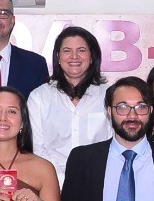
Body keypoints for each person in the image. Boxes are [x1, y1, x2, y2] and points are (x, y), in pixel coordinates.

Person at [27, 25, 108, 189]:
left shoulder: (109, 95)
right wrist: (62, 180)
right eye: (67, 51)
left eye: (81, 50)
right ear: (57, 57)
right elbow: (37, 147)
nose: (74, 56)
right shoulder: (39, 97)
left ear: (92, 57)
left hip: (100, 183)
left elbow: (114, 143)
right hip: (51, 185)